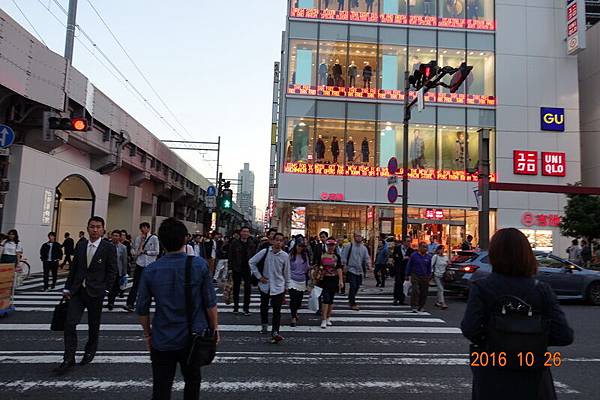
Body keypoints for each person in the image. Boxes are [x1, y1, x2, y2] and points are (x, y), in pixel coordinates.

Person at [461, 228, 574, 400]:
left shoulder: (481, 288)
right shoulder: (541, 290)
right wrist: (532, 338)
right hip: (533, 373)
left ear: (493, 254)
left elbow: (470, 329)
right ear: (527, 255)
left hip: (492, 372)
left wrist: (495, 338)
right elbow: (564, 335)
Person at [136, 217, 219, 400]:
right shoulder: (198, 265)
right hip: (193, 336)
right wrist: (214, 328)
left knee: (161, 386)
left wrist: (147, 335)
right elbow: (210, 303)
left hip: (162, 336)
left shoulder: (152, 270)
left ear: (162, 243)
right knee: (192, 381)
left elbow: (142, 308)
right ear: (185, 239)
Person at [56, 216, 117, 375]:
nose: (95, 230)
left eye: (98, 227)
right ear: (88, 228)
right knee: (70, 323)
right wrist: (67, 288)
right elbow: (74, 269)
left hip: (96, 292)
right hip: (77, 291)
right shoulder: (81, 245)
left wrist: (107, 290)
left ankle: (90, 351)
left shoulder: (108, 247)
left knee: (93, 324)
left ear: (103, 229)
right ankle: (69, 357)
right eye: (92, 226)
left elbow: (112, 271)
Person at [249, 232, 290, 344]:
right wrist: (259, 276)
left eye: (281, 240)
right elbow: (251, 262)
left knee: (277, 310)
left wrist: (286, 287)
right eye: (276, 240)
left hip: (278, 286)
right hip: (265, 285)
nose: (278, 242)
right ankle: (264, 324)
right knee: (264, 306)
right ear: (272, 241)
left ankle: (275, 331)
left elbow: (287, 273)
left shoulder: (285, 256)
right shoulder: (265, 252)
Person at [126, 222, 160, 312]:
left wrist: (146, 252)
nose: (143, 230)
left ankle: (150, 304)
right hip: (139, 263)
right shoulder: (138, 238)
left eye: (145, 228)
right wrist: (135, 253)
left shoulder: (154, 238)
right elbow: (133, 248)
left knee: (150, 285)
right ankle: (130, 304)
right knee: (135, 284)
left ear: (148, 229)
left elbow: (157, 251)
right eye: (141, 228)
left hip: (150, 264)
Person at [228, 226, 257, 315]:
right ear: (240, 233)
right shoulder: (235, 243)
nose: (245, 233)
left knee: (247, 289)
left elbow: (254, 256)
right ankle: (236, 307)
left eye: (247, 232)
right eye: (244, 231)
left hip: (247, 268)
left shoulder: (251, 244)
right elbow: (230, 255)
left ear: (249, 233)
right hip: (237, 268)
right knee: (236, 288)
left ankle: (246, 308)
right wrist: (230, 268)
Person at [317, 238, 344, 329]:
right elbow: (318, 267)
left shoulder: (337, 257)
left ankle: (328, 317)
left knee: (331, 299)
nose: (331, 247)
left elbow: (339, 268)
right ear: (327, 246)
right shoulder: (322, 256)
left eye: (332, 245)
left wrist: (341, 281)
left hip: (334, 279)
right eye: (329, 245)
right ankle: (323, 319)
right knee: (325, 298)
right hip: (324, 279)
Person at [342, 232, 371, 311]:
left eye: (360, 236)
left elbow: (366, 257)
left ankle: (351, 297)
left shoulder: (363, 248)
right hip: (351, 269)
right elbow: (344, 256)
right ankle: (352, 303)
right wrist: (344, 265)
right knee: (353, 285)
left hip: (359, 270)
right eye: (357, 236)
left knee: (357, 286)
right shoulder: (349, 246)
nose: (359, 238)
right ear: (354, 237)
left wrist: (369, 265)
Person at [288, 239, 311, 327]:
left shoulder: (305, 255)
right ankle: (293, 317)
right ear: (295, 246)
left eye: (302, 246)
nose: (300, 248)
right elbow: (287, 267)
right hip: (292, 279)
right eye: (299, 246)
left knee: (299, 300)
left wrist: (312, 269)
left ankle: (295, 312)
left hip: (302, 280)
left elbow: (307, 267)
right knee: (293, 299)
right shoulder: (290, 255)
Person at [405, 242, 432, 313]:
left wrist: (429, 276)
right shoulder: (414, 255)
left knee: (424, 292)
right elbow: (409, 265)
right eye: (423, 247)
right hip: (415, 275)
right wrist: (407, 274)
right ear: (419, 248)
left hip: (425, 276)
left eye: (426, 247)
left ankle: (421, 306)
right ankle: (414, 306)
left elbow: (429, 267)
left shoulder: (428, 257)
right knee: (415, 290)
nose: (425, 249)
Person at [106, 230, 129, 310]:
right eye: (114, 235)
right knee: (109, 287)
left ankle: (111, 302)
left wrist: (124, 273)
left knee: (115, 287)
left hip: (118, 270)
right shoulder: (107, 246)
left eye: (117, 236)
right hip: (108, 270)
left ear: (119, 237)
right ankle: (110, 301)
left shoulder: (123, 247)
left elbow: (124, 261)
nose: (115, 237)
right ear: (111, 236)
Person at [392, 238, 414, 305]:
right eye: (407, 241)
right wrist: (402, 258)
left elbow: (412, 260)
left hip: (406, 269)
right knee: (398, 283)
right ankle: (396, 298)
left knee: (404, 285)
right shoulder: (397, 248)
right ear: (403, 242)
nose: (408, 243)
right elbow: (395, 257)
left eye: (410, 241)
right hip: (398, 268)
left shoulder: (411, 250)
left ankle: (402, 299)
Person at [431, 245, 449, 310]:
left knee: (440, 289)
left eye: (443, 249)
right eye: (441, 249)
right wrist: (432, 272)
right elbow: (431, 265)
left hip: (443, 275)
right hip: (437, 275)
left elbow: (447, 264)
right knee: (441, 288)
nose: (442, 250)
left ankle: (438, 302)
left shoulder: (446, 257)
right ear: (438, 250)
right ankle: (442, 303)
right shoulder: (435, 257)